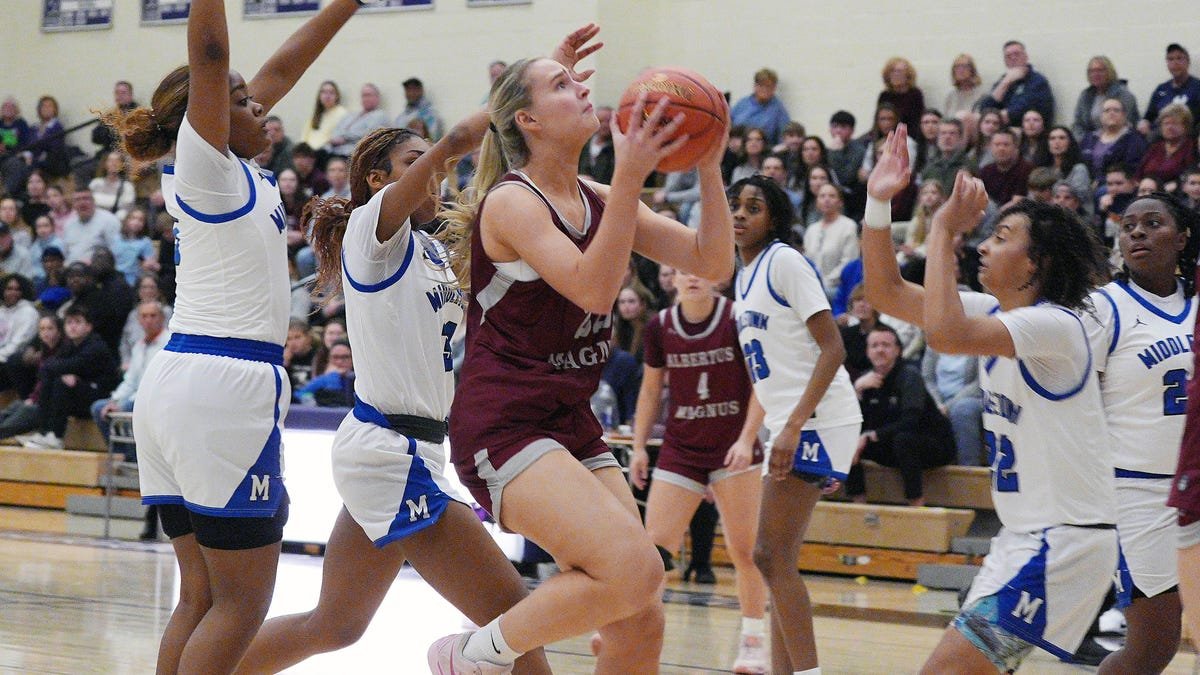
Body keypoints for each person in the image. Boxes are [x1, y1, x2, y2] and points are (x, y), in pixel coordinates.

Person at [436, 28, 734, 672]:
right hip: (504, 424)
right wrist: (629, 177)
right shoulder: (513, 202)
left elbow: (711, 259)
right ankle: (473, 656)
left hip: (569, 422)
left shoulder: (597, 195)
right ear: (529, 120)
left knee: (641, 608)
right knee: (631, 568)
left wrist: (708, 162)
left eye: (576, 81)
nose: (583, 90)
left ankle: (481, 652)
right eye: (562, 85)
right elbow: (596, 292)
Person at [102, 1, 366, 671]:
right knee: (242, 603)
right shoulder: (207, 162)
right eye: (242, 102)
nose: (262, 109)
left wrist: (348, 5)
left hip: (182, 382)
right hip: (224, 387)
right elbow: (213, 59)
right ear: (207, 112)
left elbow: (278, 66)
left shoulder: (227, 165)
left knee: (200, 597)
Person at [863, 125, 1118, 673]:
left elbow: (943, 333)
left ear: (1037, 263)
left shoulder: (1056, 326)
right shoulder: (994, 315)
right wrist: (880, 201)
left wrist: (942, 228)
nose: (984, 244)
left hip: (1063, 542)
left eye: (1001, 237)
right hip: (1024, 537)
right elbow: (884, 292)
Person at [728, 173, 860, 675]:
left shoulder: (784, 261)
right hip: (790, 420)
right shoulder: (744, 273)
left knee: (768, 554)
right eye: (735, 206)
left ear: (775, 218)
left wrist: (793, 427)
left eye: (753, 207)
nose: (740, 214)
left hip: (818, 420)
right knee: (774, 557)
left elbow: (834, 347)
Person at [628, 272, 769, 675]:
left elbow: (762, 383)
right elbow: (651, 390)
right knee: (653, 554)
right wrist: (639, 446)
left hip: (733, 448)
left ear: (718, 277)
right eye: (681, 268)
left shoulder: (738, 318)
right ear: (669, 278)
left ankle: (753, 642)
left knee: (745, 551)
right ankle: (633, 635)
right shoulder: (659, 327)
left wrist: (747, 438)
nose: (692, 276)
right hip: (682, 448)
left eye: (700, 268)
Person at [1085, 191, 1198, 673]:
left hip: (1196, 485)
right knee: (1152, 648)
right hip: (1138, 495)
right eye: (1128, 225)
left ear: (1183, 238)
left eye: (1153, 223)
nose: (1137, 233)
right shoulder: (1101, 308)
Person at [847, 324, 955, 505]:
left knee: (903, 440)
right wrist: (856, 391)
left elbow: (910, 421)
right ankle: (859, 507)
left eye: (886, 345)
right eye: (874, 346)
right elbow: (857, 422)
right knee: (848, 442)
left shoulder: (909, 376)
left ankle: (916, 506)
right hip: (891, 443)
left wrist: (871, 435)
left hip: (932, 445)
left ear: (897, 350)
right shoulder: (865, 380)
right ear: (867, 351)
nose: (880, 350)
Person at [19, 304, 120, 450]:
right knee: (51, 380)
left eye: (78, 322)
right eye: (69, 322)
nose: (72, 327)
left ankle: (56, 436)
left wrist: (71, 376)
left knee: (61, 383)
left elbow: (71, 365)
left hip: (101, 395)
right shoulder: (69, 346)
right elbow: (47, 368)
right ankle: (44, 432)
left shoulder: (95, 346)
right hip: (81, 393)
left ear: (88, 327)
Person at [922, 346, 983, 466]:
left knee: (962, 409)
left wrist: (948, 406)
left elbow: (979, 382)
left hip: (971, 398)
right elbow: (927, 379)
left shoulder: (979, 342)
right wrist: (937, 404)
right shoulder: (934, 343)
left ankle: (969, 469)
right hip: (938, 401)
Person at [978, 40, 1055, 126]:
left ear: (1026, 57)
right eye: (1008, 56)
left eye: (1017, 54)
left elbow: (1018, 112)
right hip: (1001, 128)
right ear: (1005, 61)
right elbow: (984, 109)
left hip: (1025, 128)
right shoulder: (1003, 80)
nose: (1013, 58)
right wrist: (1006, 82)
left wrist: (994, 117)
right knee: (967, 117)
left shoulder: (1037, 81)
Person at [803, 183, 858, 300]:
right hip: (811, 286)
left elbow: (848, 262)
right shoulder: (811, 229)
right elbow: (806, 261)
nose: (826, 199)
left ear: (840, 202)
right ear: (817, 202)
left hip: (836, 288)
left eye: (832, 196)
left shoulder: (848, 226)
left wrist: (825, 282)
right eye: (822, 196)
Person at [1139, 43, 1200, 136]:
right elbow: (1148, 116)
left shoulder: (1197, 87)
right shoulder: (1161, 89)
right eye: (1170, 59)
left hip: (1187, 138)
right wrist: (1144, 122)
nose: (1175, 63)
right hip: (1158, 138)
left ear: (1188, 62)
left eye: (1179, 58)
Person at [1073, 56, 1140, 140]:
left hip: (1118, 143)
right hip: (1089, 143)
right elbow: (1078, 124)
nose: (1095, 74)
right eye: (1091, 71)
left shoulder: (1123, 95)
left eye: (1100, 70)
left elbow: (1126, 125)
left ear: (1110, 72)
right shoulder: (1085, 95)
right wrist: (1084, 141)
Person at [1136, 103, 1196, 189]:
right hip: (1147, 192)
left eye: (1174, 123)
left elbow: (1191, 175)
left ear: (1185, 126)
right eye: (1166, 123)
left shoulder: (1191, 147)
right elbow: (1138, 175)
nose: (1169, 127)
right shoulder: (1155, 147)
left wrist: (1177, 183)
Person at [326, 83, 389, 158]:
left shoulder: (379, 115)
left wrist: (345, 138)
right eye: (363, 96)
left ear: (377, 98)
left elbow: (369, 134)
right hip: (333, 150)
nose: (365, 98)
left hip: (351, 154)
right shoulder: (351, 115)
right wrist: (335, 138)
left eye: (368, 95)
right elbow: (337, 129)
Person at [731, 68, 791, 146]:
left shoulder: (778, 109)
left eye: (769, 86)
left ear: (774, 88)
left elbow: (784, 137)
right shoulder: (742, 103)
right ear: (755, 86)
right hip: (736, 149)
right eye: (761, 85)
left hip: (762, 152)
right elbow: (728, 124)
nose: (765, 89)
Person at [62, 188, 120, 264]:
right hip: (73, 271)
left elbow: (116, 251)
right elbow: (66, 253)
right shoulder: (68, 224)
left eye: (86, 199)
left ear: (93, 201)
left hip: (98, 272)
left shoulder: (109, 220)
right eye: (78, 200)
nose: (82, 203)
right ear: (73, 205)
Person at [300, 80, 348, 154]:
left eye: (331, 92)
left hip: (326, 153)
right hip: (308, 154)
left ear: (337, 96)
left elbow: (339, 138)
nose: (327, 96)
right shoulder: (316, 115)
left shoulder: (342, 113)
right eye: (324, 92)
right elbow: (304, 138)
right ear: (319, 96)